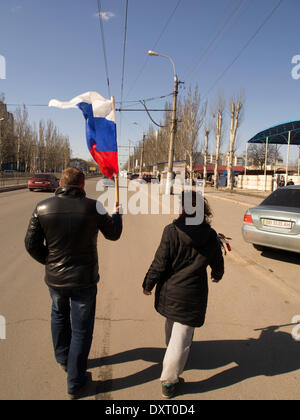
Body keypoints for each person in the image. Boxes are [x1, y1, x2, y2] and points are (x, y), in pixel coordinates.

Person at [24, 167, 122, 399]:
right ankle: (75, 382)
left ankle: (64, 359)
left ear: (61, 183)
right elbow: (114, 234)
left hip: (56, 280)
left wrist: (49, 261)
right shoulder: (94, 207)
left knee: (58, 315)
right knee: (81, 329)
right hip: (84, 279)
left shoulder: (43, 207)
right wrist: (117, 214)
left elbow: (30, 244)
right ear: (82, 185)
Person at [142, 191, 224, 399]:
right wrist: (217, 274)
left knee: (173, 327)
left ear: (184, 210)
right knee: (182, 337)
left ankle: (169, 378)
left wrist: (148, 282)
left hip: (171, 290)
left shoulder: (171, 231)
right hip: (193, 293)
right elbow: (217, 262)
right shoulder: (211, 235)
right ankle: (170, 377)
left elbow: (160, 262)